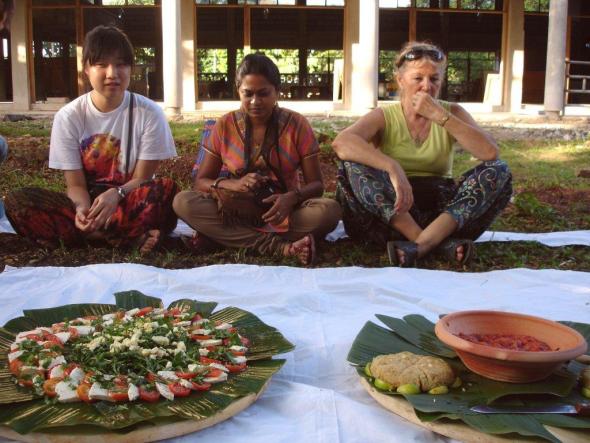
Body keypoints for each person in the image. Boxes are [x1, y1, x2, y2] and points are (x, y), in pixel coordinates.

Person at [332, 41, 512, 267]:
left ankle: (421, 245)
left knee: (499, 170)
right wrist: (392, 167)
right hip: (392, 213)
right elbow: (342, 143)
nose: (426, 86)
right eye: (418, 78)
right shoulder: (385, 115)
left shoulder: (451, 112)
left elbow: (490, 152)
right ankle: (431, 242)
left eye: (434, 79)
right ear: (400, 80)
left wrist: (440, 117)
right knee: (351, 166)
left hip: (441, 215)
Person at [4, 25, 178, 253]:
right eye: (101, 64)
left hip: (129, 197)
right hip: (89, 200)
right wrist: (82, 211)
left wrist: (117, 194)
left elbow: (143, 179)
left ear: (130, 68)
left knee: (165, 191)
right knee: (18, 202)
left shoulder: (149, 113)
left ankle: (82, 237)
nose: (112, 73)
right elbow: (75, 185)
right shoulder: (69, 116)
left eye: (121, 64)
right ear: (86, 68)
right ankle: (115, 235)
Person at [173, 53, 341, 266]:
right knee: (183, 202)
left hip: (285, 213)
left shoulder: (297, 125)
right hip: (236, 210)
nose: (255, 102)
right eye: (248, 93)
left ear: (277, 92)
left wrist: (292, 198)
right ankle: (280, 247)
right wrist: (234, 184)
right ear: (238, 92)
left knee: (330, 211)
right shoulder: (225, 125)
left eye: (263, 93)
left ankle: (229, 238)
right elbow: (201, 182)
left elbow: (316, 186)